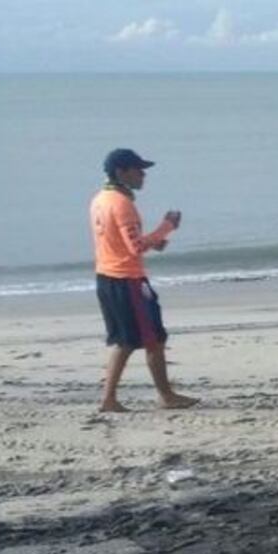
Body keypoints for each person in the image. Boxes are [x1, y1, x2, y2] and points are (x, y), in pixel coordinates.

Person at [91, 148, 197, 413]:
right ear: (121, 172)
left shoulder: (100, 199)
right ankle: (165, 396)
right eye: (138, 170)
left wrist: (154, 241)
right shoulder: (121, 204)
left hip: (107, 277)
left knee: (126, 341)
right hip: (127, 279)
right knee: (154, 339)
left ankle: (109, 398)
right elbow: (135, 247)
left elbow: (121, 241)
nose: (143, 175)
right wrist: (167, 227)